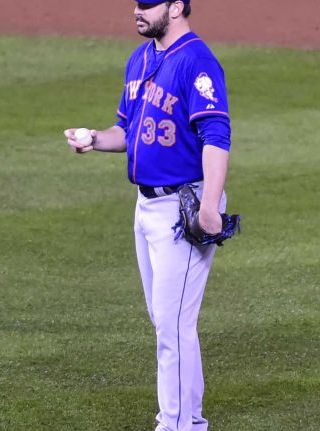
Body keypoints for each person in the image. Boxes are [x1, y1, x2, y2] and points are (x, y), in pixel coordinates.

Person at [64, 1, 232, 430]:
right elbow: (128, 130)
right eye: (136, 5)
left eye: (148, 5)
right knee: (169, 322)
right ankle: (191, 420)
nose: (137, 12)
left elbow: (216, 135)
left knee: (172, 326)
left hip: (185, 207)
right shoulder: (140, 59)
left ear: (176, 6)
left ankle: (173, 425)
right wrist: (95, 138)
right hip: (145, 207)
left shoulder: (198, 61)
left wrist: (210, 206)